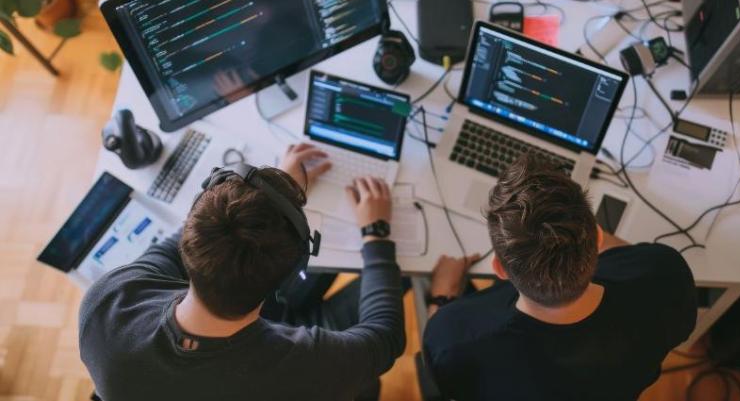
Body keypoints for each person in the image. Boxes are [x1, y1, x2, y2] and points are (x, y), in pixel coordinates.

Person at [79, 143, 405, 401]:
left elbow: (186, 235)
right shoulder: (306, 371)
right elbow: (386, 337)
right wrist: (375, 232)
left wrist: (270, 192)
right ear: (293, 268)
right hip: (283, 350)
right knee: (404, 274)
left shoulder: (108, 302)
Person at [423, 152, 697, 401]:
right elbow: (632, 259)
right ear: (598, 238)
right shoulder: (664, 275)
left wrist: (442, 293)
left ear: (501, 269)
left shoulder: (453, 336)